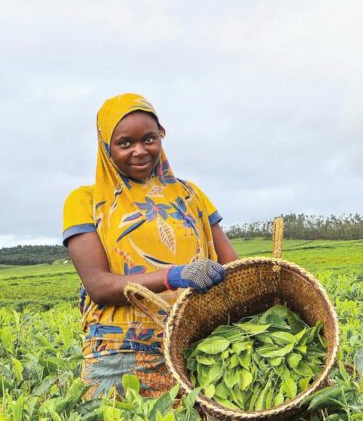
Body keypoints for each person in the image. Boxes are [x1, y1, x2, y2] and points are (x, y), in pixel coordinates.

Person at [62, 93, 239, 398]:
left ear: (162, 136)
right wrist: (173, 276)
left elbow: (233, 269)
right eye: (125, 143)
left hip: (194, 351)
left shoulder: (190, 195)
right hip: (120, 357)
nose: (140, 151)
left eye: (149, 139)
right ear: (106, 146)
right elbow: (98, 285)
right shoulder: (85, 202)